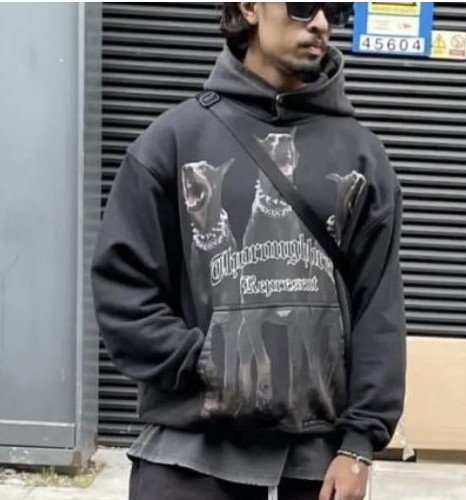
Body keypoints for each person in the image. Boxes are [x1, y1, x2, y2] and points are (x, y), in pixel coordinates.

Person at [91, 3, 406, 500]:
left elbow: (378, 308)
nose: (321, 22)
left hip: (315, 466)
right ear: (250, 7)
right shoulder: (172, 142)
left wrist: (359, 445)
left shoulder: (362, 156)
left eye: (335, 8)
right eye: (302, 5)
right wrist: (207, 360)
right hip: (190, 455)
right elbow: (123, 291)